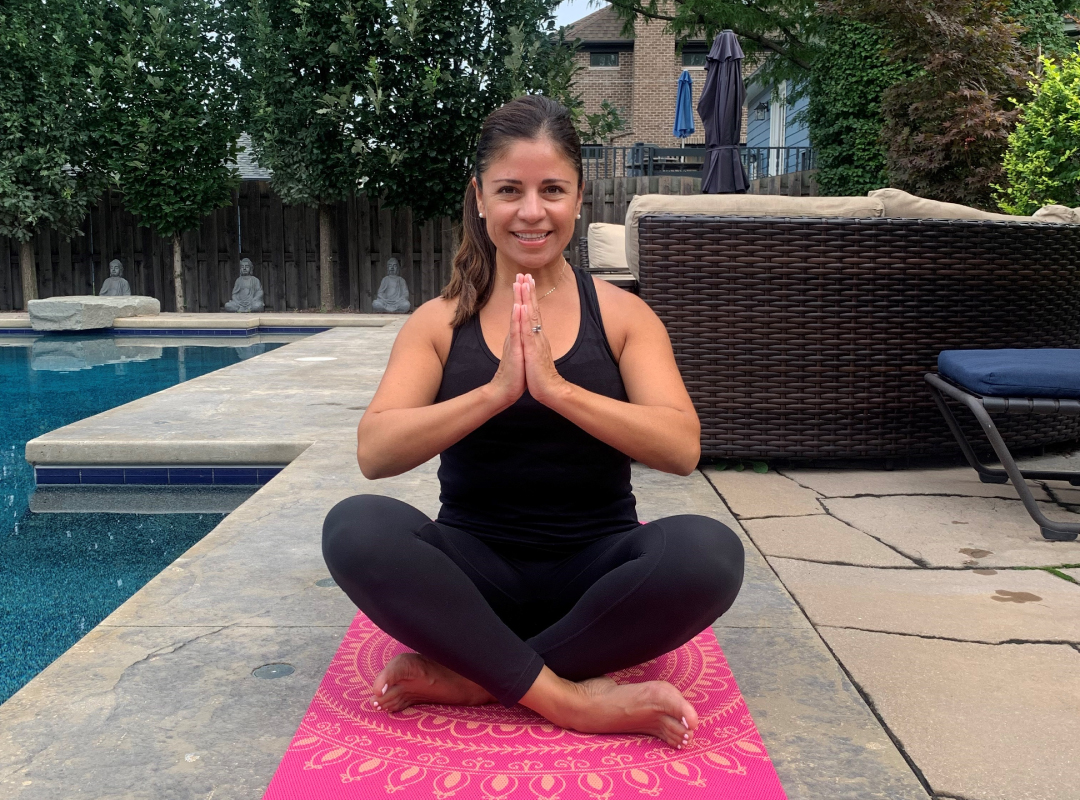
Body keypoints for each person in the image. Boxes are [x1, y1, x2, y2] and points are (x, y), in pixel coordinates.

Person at [323, 95, 744, 750]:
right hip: (474, 573)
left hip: (599, 577)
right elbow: (375, 451)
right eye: (509, 190)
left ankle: (477, 678)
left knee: (710, 553)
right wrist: (495, 393)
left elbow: (681, 446)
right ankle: (569, 697)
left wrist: (557, 390)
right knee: (355, 527)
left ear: (579, 199)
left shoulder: (625, 317)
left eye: (552, 189)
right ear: (480, 199)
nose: (531, 211)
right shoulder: (439, 323)